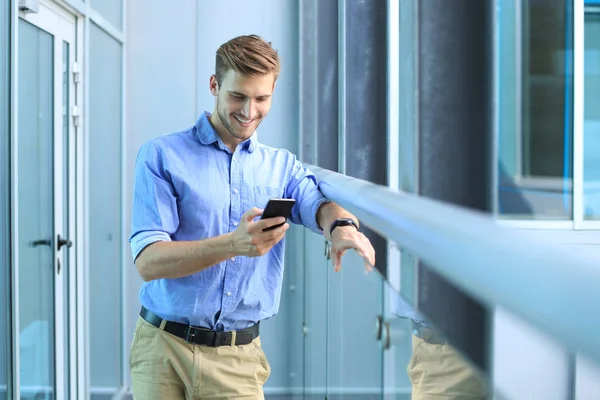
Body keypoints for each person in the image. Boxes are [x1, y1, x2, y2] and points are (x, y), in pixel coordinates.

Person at [128, 34, 376, 400]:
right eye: (237, 96)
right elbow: (148, 262)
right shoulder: (161, 156)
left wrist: (340, 226)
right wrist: (234, 244)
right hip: (162, 350)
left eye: (262, 98)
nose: (249, 111)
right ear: (214, 85)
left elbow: (317, 205)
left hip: (238, 360)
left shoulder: (282, 167)